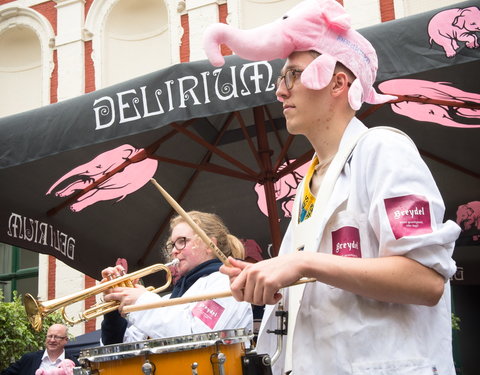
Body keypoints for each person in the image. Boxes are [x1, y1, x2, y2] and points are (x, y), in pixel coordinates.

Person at [203, 1, 461, 374]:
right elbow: (320, 285)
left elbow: (425, 279)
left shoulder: (383, 150)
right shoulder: (310, 180)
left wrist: (302, 262)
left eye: (292, 75)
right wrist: (267, 278)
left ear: (338, 82)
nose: (279, 91)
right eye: (281, 78)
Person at [100, 210, 253, 344]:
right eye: (172, 244)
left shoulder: (226, 283)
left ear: (209, 245)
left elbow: (198, 336)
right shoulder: (169, 300)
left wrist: (141, 300)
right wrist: (114, 307)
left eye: (182, 241)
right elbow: (122, 346)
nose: (174, 251)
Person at [1, 323, 78, 375]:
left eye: (57, 337)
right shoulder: (28, 359)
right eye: (50, 336)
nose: (52, 340)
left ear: (66, 340)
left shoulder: (74, 363)